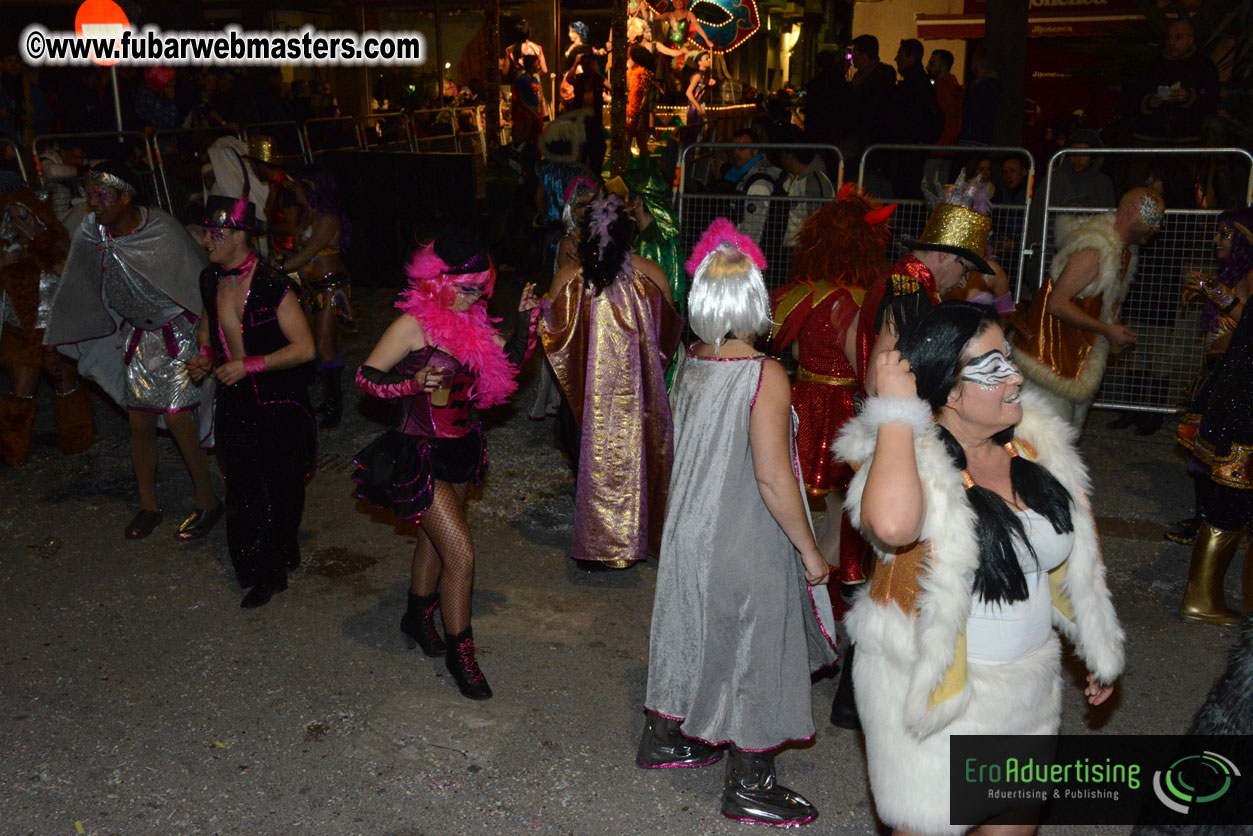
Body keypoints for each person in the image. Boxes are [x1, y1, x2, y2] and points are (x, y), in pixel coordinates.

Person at [840, 301, 1123, 835]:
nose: (1016, 376)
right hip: (944, 700)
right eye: (993, 368)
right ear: (948, 390)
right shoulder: (905, 460)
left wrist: (1093, 641)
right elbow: (895, 526)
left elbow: (1063, 560)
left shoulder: (1036, 446)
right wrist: (897, 416)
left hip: (1030, 694)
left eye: (1009, 360)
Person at [638, 218, 837, 828]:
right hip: (743, 530)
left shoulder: (692, 360)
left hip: (690, 527)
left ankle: (668, 736)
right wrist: (809, 551)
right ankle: (751, 782)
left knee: (693, 627)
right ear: (755, 300)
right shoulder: (764, 374)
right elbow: (775, 478)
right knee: (758, 646)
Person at [353, 234, 539, 698]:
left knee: (434, 540)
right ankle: (462, 653)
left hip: (462, 445)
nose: (473, 296)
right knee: (461, 553)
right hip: (419, 450)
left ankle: (417, 616)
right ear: (437, 280)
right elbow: (365, 377)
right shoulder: (412, 325)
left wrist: (525, 322)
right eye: (464, 286)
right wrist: (410, 383)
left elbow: (510, 364)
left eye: (480, 288)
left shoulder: (473, 324)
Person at [43, 162, 221, 541]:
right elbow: (82, 276)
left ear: (126, 197)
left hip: (179, 331)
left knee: (176, 419)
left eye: (102, 195)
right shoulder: (93, 230)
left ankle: (207, 502)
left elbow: (202, 283)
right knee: (138, 422)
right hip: (139, 338)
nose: (94, 203)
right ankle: (148, 506)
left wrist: (208, 339)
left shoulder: (161, 229)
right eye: (89, 194)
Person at [187, 188, 316, 609]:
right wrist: (206, 356)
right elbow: (208, 326)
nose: (206, 241)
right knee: (244, 490)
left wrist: (249, 365)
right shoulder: (210, 278)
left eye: (214, 233)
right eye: (206, 233)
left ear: (240, 234)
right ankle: (265, 572)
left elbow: (305, 349)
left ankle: (283, 545)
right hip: (235, 401)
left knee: (283, 486)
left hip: (279, 402)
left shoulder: (274, 286)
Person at [540, 194, 683, 570]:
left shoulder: (570, 277)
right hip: (642, 397)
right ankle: (639, 535)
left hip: (586, 400)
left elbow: (551, 335)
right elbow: (668, 335)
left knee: (591, 459)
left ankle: (600, 540)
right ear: (627, 231)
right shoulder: (651, 274)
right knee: (644, 461)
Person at [770, 184, 895, 586]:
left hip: (804, 397)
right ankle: (828, 570)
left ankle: (804, 562)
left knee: (803, 489)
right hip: (838, 406)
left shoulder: (803, 294)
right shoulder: (855, 302)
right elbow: (862, 364)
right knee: (841, 496)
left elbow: (782, 347)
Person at [1011, 187, 1165, 428]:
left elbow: (1092, 306)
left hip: (1072, 361)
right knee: (1044, 443)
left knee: (1057, 442)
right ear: (1132, 211)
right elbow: (1057, 303)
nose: (1157, 227)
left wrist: (1110, 329)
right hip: (1049, 359)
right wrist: (1106, 329)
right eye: (1153, 217)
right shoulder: (1095, 250)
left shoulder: (1122, 254)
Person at [1173, 211, 1253, 624]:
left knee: (1233, 498)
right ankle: (1205, 599)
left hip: (1235, 395)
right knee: (1227, 494)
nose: (1217, 241)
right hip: (1237, 397)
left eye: (1226, 234)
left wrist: (1212, 289)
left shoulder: (1243, 279)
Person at [0, 188, 94, 467]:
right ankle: (11, 451)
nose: (20, 224)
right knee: (21, 393)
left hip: (55, 327)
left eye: (25, 217)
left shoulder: (56, 240)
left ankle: (77, 440)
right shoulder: (5, 248)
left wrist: (39, 247)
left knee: (64, 384)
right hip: (20, 332)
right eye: (14, 219)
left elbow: (68, 273)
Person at [278, 165, 353, 430]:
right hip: (310, 288)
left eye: (299, 186)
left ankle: (335, 405)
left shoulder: (328, 219)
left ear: (310, 188)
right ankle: (325, 398)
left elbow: (309, 252)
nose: (295, 191)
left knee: (324, 344)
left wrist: (276, 269)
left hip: (330, 287)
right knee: (310, 342)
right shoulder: (307, 217)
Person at [1130, 18, 1220, 148]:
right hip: (1152, 132)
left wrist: (1189, 96)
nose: (1172, 42)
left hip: (1190, 133)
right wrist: (1150, 101)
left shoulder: (1203, 65)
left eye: (1178, 38)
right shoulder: (1153, 65)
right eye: (1169, 38)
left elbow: (1211, 98)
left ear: (1190, 40)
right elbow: (1134, 95)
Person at [778, 132, 835, 251]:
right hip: (789, 248)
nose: (780, 158)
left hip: (804, 250)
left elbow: (822, 223)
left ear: (790, 156)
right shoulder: (788, 178)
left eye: (782, 154)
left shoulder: (814, 182)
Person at [848, 35, 896, 162]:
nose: (852, 57)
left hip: (871, 142)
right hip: (861, 140)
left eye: (855, 53)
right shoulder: (860, 77)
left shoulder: (879, 80)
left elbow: (872, 111)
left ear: (865, 56)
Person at [1050, 129, 1117, 211]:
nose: (1077, 159)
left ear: (1093, 157)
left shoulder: (1103, 183)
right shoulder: (1055, 180)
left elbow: (1109, 217)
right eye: (1073, 154)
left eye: (1083, 154)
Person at [957, 51, 1001, 147]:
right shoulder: (992, 86)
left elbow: (972, 111)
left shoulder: (982, 87)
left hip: (974, 138)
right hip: (979, 137)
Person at [625, 44, 655, 157]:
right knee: (626, 140)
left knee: (642, 142)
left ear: (636, 59)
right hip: (629, 111)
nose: (628, 60)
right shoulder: (629, 73)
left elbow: (645, 96)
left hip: (640, 113)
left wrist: (637, 111)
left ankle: (643, 170)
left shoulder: (645, 74)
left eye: (630, 57)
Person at [682, 52, 715, 147]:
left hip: (700, 105)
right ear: (699, 62)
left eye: (709, 58)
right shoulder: (697, 76)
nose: (709, 60)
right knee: (695, 132)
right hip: (695, 107)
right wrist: (698, 107)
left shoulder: (704, 76)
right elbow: (688, 92)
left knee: (703, 131)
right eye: (706, 59)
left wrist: (709, 84)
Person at [511, 54, 545, 147]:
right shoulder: (522, 79)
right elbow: (519, 99)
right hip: (527, 113)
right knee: (528, 137)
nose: (538, 66)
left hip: (535, 110)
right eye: (536, 63)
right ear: (530, 65)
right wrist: (530, 111)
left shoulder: (534, 79)